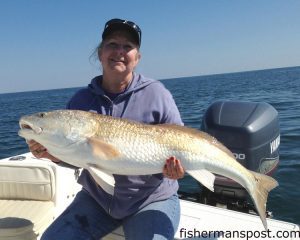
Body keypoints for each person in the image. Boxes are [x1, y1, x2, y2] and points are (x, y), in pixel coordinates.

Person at [27, 18, 185, 240]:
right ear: (100, 53)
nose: (119, 51)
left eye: (128, 46)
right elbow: (79, 154)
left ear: (137, 58)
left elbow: (182, 142)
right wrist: (51, 154)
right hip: (97, 199)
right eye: (112, 44)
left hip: (150, 199)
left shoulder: (157, 95)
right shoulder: (81, 100)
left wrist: (178, 169)